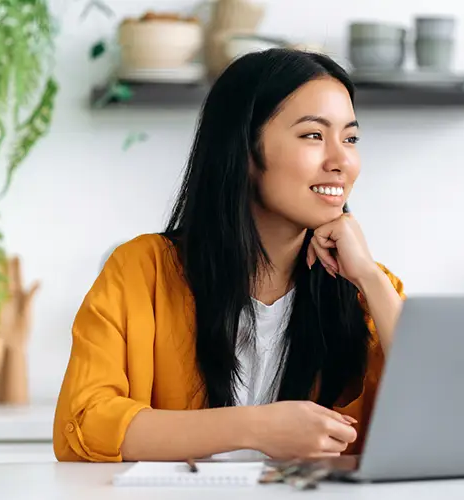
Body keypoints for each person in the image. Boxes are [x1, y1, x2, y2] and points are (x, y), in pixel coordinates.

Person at [52, 48, 405, 463]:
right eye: (313, 135)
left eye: (350, 138)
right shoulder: (141, 270)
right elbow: (84, 425)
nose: (342, 160)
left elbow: (441, 420)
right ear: (245, 149)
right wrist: (256, 427)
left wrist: (369, 278)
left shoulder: (369, 287)